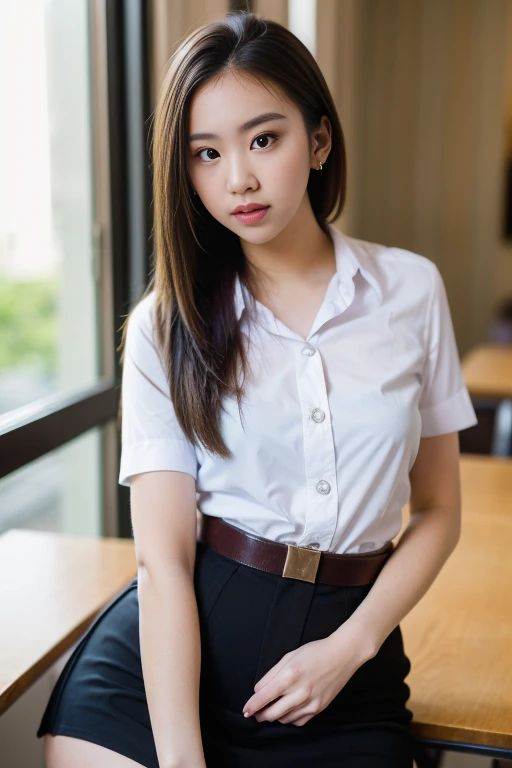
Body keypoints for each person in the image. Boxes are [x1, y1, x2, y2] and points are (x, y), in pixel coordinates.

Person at [36, 10, 478, 768]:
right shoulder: (164, 328)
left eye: (263, 139)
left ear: (319, 139)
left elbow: (437, 510)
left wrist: (351, 647)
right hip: (163, 679)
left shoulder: (410, 290)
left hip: (344, 674)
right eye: (206, 153)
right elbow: (163, 562)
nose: (236, 177)